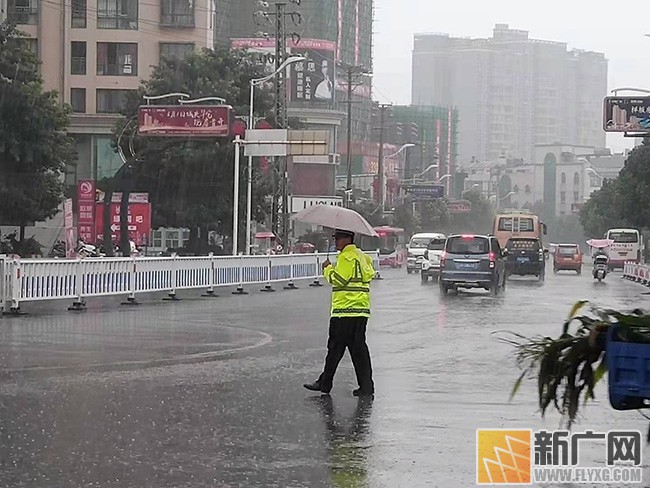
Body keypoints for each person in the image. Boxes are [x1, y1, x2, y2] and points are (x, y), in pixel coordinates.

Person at [304, 229, 376, 396]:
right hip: (361, 311)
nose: (336, 242)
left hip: (344, 311)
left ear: (348, 239)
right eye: (335, 238)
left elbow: (339, 280)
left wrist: (328, 269)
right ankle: (366, 386)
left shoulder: (346, 257)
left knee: (335, 349)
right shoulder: (362, 256)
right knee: (359, 351)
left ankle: (324, 383)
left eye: (339, 238)